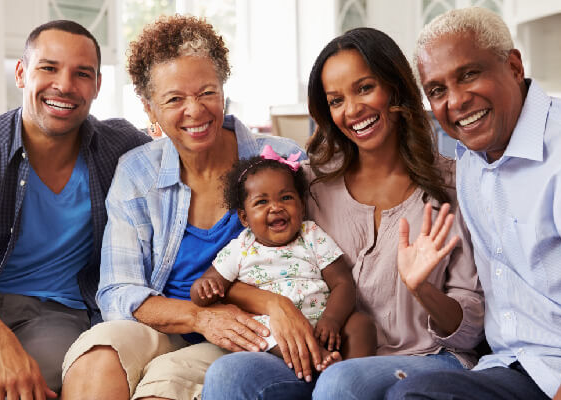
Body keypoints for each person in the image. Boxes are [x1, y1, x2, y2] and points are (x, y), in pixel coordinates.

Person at [202, 27, 484, 400]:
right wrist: (275, 303)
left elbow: (470, 331)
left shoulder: (456, 186)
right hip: (326, 357)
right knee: (230, 373)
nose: (351, 110)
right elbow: (245, 263)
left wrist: (423, 289)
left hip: (428, 359)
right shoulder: (306, 186)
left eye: (365, 88)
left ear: (395, 88)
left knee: (342, 383)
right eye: (336, 100)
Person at [386, 7, 561, 400]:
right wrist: (423, 288)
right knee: (412, 395)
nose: (456, 101)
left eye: (469, 74)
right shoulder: (471, 160)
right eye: (437, 90)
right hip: (520, 367)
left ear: (512, 66)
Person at [59, 15, 303, 400]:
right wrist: (199, 317)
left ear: (223, 89)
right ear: (150, 108)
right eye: (174, 99)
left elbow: (318, 262)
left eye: (207, 92)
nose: (195, 110)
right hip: (166, 325)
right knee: (98, 357)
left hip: (249, 331)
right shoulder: (138, 171)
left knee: (165, 384)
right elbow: (118, 289)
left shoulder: (281, 162)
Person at [0, 20, 150, 400]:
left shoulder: (119, 147)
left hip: (58, 315)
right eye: (49, 68)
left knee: (39, 381)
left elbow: (187, 148)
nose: (64, 85)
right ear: (22, 73)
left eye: (82, 73)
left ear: (96, 86)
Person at [190, 147, 376, 367]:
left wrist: (332, 320)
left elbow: (343, 283)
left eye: (286, 198)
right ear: (244, 217)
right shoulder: (239, 248)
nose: (276, 207)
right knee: (260, 332)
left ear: (301, 205)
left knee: (361, 323)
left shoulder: (311, 235)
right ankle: (316, 357)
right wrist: (203, 289)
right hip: (275, 328)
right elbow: (205, 289)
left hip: (323, 324)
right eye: (262, 202)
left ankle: (350, 376)